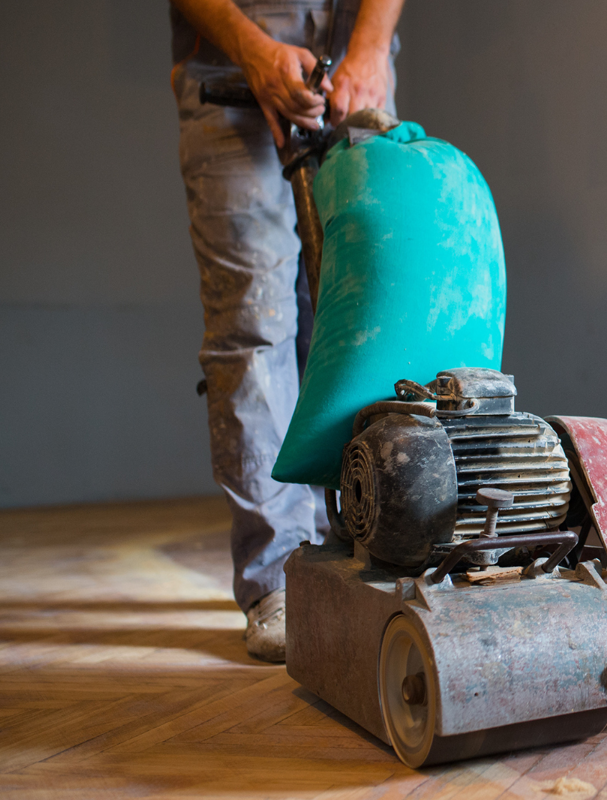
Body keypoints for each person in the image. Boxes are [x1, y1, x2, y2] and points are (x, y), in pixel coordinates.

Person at [169, 0, 404, 662]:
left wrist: (370, 45)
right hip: (231, 79)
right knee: (254, 327)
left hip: (357, 79)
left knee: (357, 320)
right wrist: (252, 51)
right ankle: (278, 577)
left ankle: (360, 545)